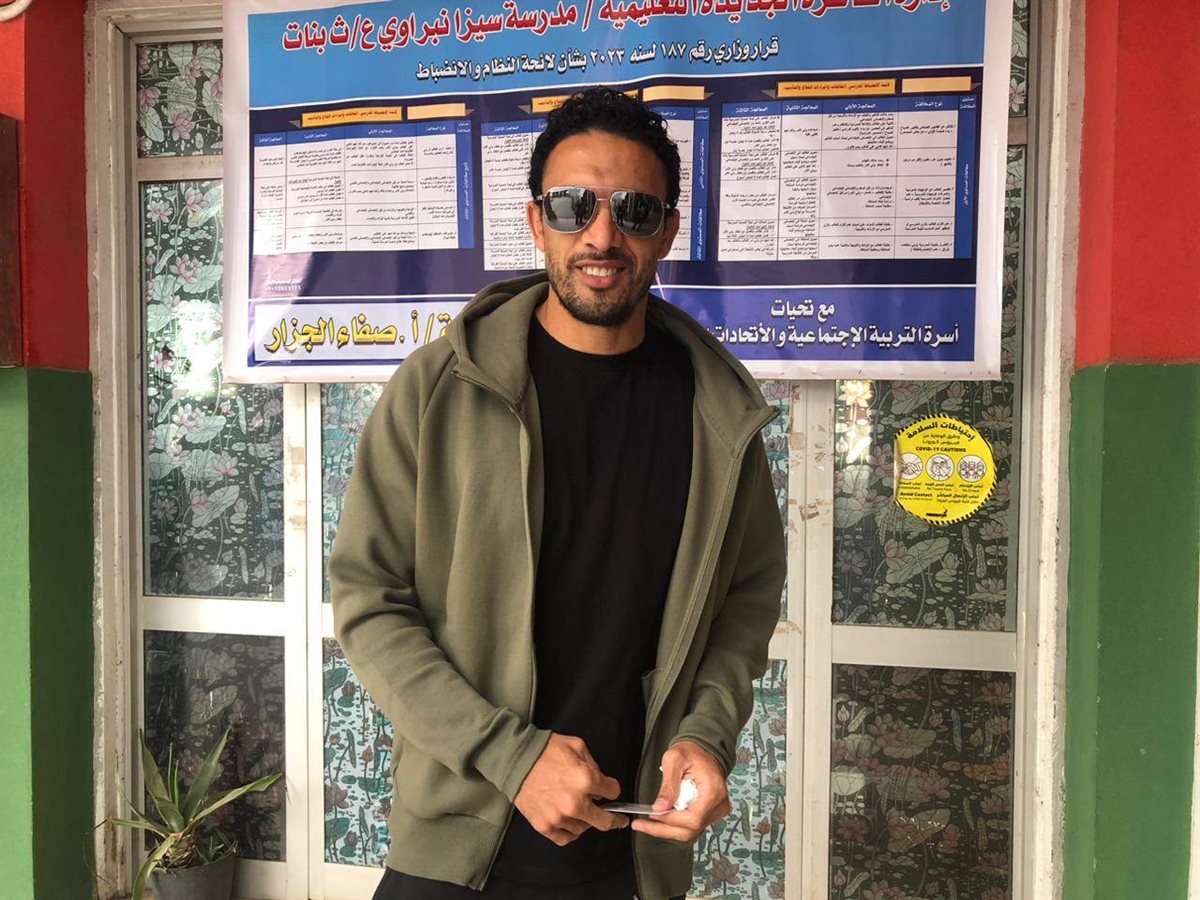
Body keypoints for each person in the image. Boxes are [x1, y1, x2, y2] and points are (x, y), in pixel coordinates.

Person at [330, 87, 786, 900]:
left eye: (635, 210)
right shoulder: (437, 391)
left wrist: (707, 735)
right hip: (455, 853)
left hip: (634, 858)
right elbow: (369, 601)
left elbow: (745, 604)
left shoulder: (719, 413)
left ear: (668, 231)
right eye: (574, 206)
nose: (602, 236)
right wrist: (512, 757)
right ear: (537, 222)